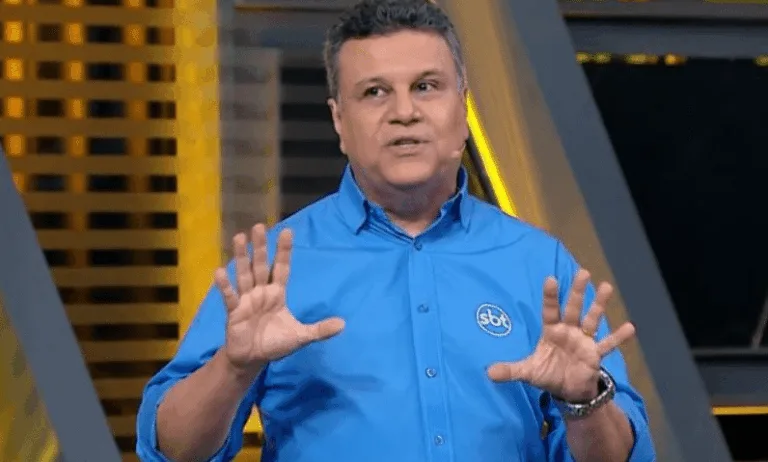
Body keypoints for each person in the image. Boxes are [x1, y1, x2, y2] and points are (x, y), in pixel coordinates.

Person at [136, 0, 656, 460]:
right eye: (375, 92)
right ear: (339, 121)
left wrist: (584, 402)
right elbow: (172, 451)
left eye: (426, 87)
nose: (404, 112)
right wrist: (233, 369)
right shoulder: (271, 268)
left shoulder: (539, 263)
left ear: (462, 107)